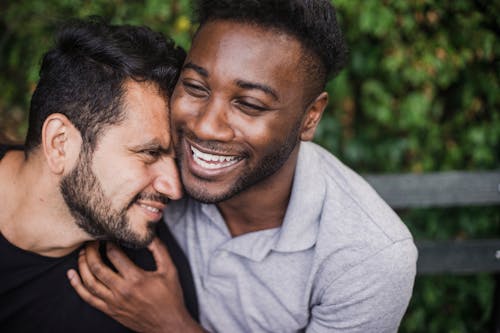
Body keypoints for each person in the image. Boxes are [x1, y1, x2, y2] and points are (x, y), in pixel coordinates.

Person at [68, 1, 418, 332]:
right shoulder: (158, 167)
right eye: (194, 87)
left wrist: (172, 325)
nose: (206, 126)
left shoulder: (368, 257)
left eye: (249, 104)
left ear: (310, 117)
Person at [0, 18, 200, 332]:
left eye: (175, 160)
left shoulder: (144, 291)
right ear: (60, 143)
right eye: (149, 153)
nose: (174, 189)